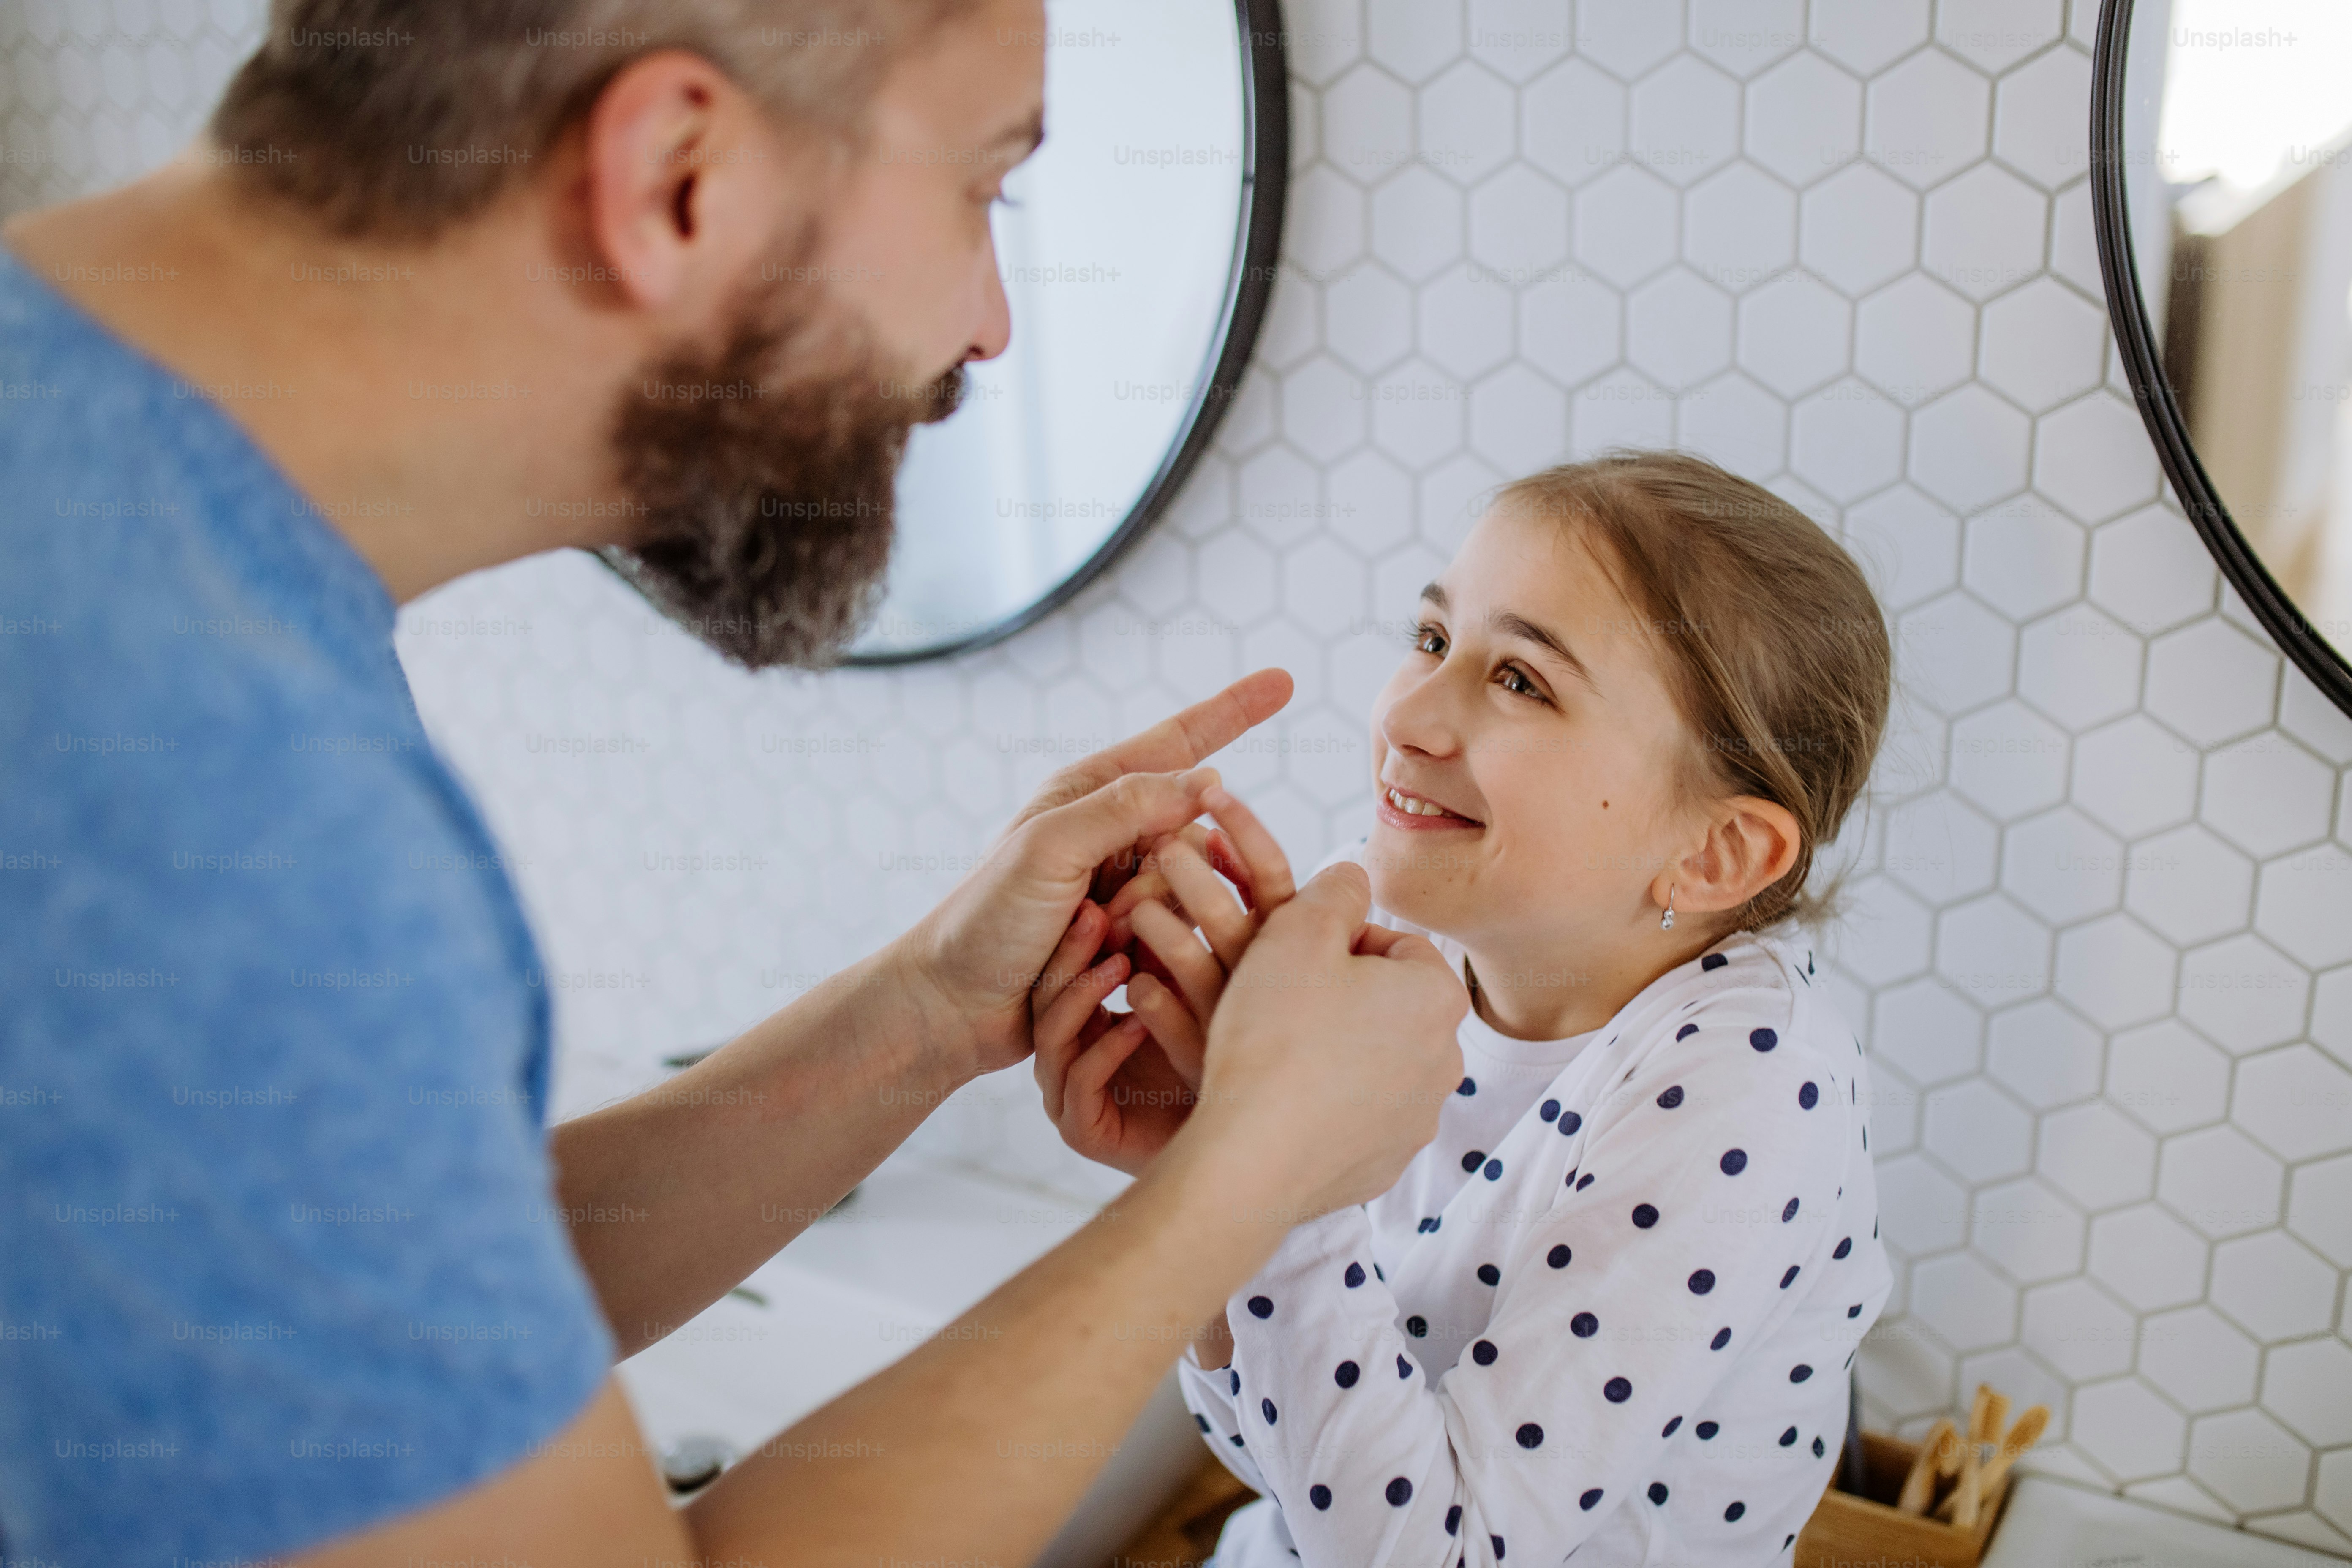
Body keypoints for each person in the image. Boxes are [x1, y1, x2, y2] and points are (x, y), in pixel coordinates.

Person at [0, 4, 1469, 1565]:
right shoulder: (209, 769)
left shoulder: (121, 535)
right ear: (680, 175)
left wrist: (923, 1012)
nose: (991, 327)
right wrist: (1253, 1168)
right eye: (987, 189)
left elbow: (389, 1297)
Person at [1034, 453, 1897, 1565]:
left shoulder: (1752, 1090)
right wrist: (1206, 1171)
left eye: (1522, 682)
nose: (1408, 718)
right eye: (1436, 640)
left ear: (1718, 850)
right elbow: (1284, 1460)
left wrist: (1276, 1177)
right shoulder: (1406, 952)